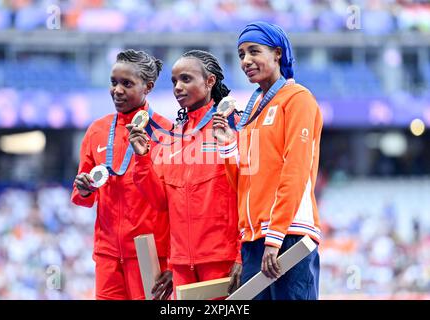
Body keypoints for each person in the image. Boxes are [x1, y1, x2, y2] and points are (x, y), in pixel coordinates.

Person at [212, 21, 323, 300]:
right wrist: (228, 147)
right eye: (241, 55)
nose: (246, 61)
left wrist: (275, 236)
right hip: (254, 239)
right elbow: (243, 184)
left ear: (277, 53)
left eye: (254, 51)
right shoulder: (252, 113)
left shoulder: (298, 99)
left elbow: (295, 169)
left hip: (289, 235)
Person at [128, 50, 242, 298]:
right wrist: (142, 158)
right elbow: (160, 202)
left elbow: (247, 194)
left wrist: (242, 255)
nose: (178, 87)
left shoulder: (232, 126)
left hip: (221, 260)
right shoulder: (172, 139)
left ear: (210, 81)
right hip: (181, 265)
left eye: (186, 79)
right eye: (174, 81)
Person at [71, 49, 173, 300]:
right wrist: (84, 189)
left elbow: (176, 204)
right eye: (114, 82)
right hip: (107, 253)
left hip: (149, 254)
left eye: (127, 84)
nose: (117, 90)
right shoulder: (97, 130)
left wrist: (173, 261)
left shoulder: (167, 132)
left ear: (148, 86)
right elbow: (82, 195)